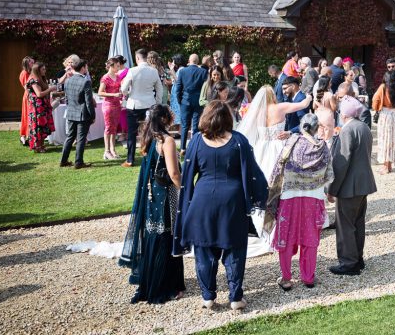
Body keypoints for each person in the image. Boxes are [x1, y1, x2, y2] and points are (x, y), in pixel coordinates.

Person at [173, 101, 268, 311]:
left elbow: (187, 176)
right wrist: (263, 195)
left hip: (202, 201)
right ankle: (235, 297)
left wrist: (187, 205)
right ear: (227, 118)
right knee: (235, 249)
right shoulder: (239, 141)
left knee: (204, 249)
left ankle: (208, 296)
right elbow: (253, 173)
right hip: (233, 202)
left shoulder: (196, 141)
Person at [118, 104, 184, 304]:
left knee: (153, 234)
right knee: (167, 235)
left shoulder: (148, 138)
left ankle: (152, 277)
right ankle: (166, 284)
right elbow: (173, 173)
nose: (173, 117)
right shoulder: (167, 140)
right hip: (166, 194)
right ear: (163, 118)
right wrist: (186, 190)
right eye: (170, 114)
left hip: (151, 192)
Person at [237, 85, 313, 256]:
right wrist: (309, 96)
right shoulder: (279, 107)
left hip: (261, 149)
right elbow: (302, 105)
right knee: (283, 186)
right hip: (278, 148)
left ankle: (260, 221)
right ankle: (282, 223)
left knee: (263, 185)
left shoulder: (255, 111)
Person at [267, 113, 333, 290]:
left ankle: (286, 278)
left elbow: (278, 168)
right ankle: (308, 277)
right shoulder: (322, 147)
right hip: (313, 197)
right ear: (316, 128)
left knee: (286, 236)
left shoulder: (291, 143)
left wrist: (272, 191)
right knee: (310, 236)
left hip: (290, 197)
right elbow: (329, 174)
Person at [328, 96, 377, 275]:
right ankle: (357, 258)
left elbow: (341, 163)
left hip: (349, 185)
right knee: (358, 222)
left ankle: (349, 263)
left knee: (345, 225)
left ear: (344, 114)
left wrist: (331, 189)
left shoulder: (347, 130)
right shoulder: (364, 127)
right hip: (363, 183)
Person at [121, 49, 163, 167]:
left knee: (132, 133)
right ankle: (150, 155)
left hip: (134, 105)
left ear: (137, 58)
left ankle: (130, 159)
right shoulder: (154, 71)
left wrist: (128, 93)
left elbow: (123, 89)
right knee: (150, 131)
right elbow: (159, 88)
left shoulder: (132, 70)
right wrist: (157, 102)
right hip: (150, 104)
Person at [59, 59, 95, 169]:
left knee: (70, 137)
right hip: (82, 115)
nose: (87, 69)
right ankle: (78, 162)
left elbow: (67, 99)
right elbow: (89, 102)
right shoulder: (85, 81)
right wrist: (93, 115)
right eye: (86, 67)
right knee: (81, 139)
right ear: (83, 68)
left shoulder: (68, 80)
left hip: (71, 113)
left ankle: (63, 161)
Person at [371, 71, 395, 175]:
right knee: (391, 140)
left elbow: (375, 99)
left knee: (384, 139)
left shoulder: (383, 87)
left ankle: (385, 166)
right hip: (394, 115)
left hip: (385, 114)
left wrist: (377, 108)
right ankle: (389, 165)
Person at [176, 54, 209, 155]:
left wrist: (180, 100)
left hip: (185, 100)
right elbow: (206, 88)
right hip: (198, 101)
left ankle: (182, 148)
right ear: (198, 61)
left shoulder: (182, 71)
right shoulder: (203, 72)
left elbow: (178, 88)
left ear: (189, 61)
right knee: (195, 125)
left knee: (185, 125)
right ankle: (194, 147)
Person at [25, 62, 56, 153]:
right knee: (38, 126)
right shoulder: (33, 80)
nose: (45, 71)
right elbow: (39, 94)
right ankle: (37, 147)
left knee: (43, 126)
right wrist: (50, 89)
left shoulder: (40, 79)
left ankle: (42, 145)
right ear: (37, 70)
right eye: (43, 69)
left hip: (42, 106)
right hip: (37, 108)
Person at [99, 57, 123, 160]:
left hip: (117, 105)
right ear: (111, 66)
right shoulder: (105, 78)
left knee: (114, 128)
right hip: (108, 105)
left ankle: (113, 150)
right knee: (108, 128)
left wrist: (121, 93)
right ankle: (107, 151)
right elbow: (100, 92)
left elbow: (120, 88)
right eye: (117, 66)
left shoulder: (118, 77)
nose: (119, 68)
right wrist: (114, 94)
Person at [19, 56, 34, 146]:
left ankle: (28, 137)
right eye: (32, 63)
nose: (33, 64)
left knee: (29, 117)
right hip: (28, 97)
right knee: (26, 116)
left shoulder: (30, 72)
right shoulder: (24, 73)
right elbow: (27, 87)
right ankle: (23, 136)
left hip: (31, 96)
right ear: (27, 64)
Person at [168, 54, 184, 128]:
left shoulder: (181, 69)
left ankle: (180, 131)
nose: (173, 63)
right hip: (176, 93)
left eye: (173, 61)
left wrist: (172, 70)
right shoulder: (180, 69)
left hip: (178, 94)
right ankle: (179, 130)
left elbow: (178, 81)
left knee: (179, 113)